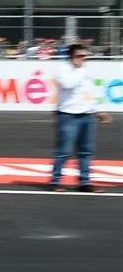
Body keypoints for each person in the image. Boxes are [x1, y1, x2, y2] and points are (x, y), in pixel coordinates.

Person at [48, 42, 111, 192]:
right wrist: (79, 70)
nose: (83, 58)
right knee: (64, 151)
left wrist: (98, 111)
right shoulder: (62, 69)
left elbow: (89, 93)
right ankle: (55, 181)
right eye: (80, 56)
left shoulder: (84, 70)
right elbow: (68, 84)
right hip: (68, 115)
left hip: (86, 115)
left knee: (86, 151)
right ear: (71, 56)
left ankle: (85, 182)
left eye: (85, 56)